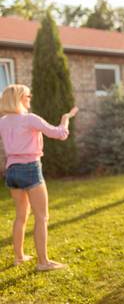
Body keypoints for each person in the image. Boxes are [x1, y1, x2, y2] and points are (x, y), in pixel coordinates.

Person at [0, 84, 78, 271]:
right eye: (28, 95)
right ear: (20, 98)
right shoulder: (29, 119)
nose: (30, 98)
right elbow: (60, 134)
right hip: (30, 169)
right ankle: (43, 262)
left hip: (11, 170)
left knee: (21, 215)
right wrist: (65, 118)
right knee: (42, 217)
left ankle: (19, 257)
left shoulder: (3, 121)